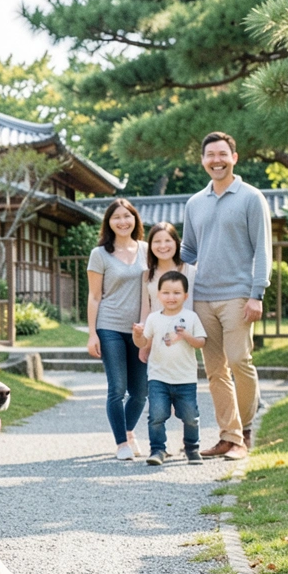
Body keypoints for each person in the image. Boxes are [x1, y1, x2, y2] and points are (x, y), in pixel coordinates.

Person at [180, 131, 271, 461]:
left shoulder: (250, 197)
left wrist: (256, 293)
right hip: (202, 297)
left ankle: (244, 432)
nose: (216, 160)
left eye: (222, 154)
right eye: (210, 155)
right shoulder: (194, 203)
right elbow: (189, 250)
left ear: (234, 158)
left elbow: (262, 249)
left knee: (239, 361)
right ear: (202, 160)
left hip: (238, 296)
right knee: (215, 370)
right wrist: (159, 253)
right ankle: (228, 436)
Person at [86, 199, 149, 460]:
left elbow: (150, 291)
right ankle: (122, 443)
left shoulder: (147, 249)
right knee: (117, 389)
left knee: (140, 392)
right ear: (109, 223)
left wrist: (147, 327)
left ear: (135, 219)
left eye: (127, 216)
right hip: (109, 326)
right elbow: (94, 297)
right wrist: (92, 334)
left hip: (139, 329)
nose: (123, 221)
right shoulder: (99, 254)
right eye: (116, 217)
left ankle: (128, 430)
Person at [132, 271, 205, 466]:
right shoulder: (154, 319)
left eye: (176, 293)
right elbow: (142, 343)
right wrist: (137, 334)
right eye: (166, 293)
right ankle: (157, 450)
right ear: (158, 295)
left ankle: (192, 448)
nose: (171, 297)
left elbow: (200, 343)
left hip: (185, 378)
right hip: (158, 377)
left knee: (190, 417)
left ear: (185, 296)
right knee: (156, 415)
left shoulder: (191, 317)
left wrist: (187, 336)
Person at [138, 222, 196, 363]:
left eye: (167, 241)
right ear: (150, 246)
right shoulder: (146, 275)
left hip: (184, 339)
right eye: (157, 241)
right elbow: (146, 310)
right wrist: (145, 343)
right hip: (157, 339)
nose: (162, 246)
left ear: (176, 243)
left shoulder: (190, 271)